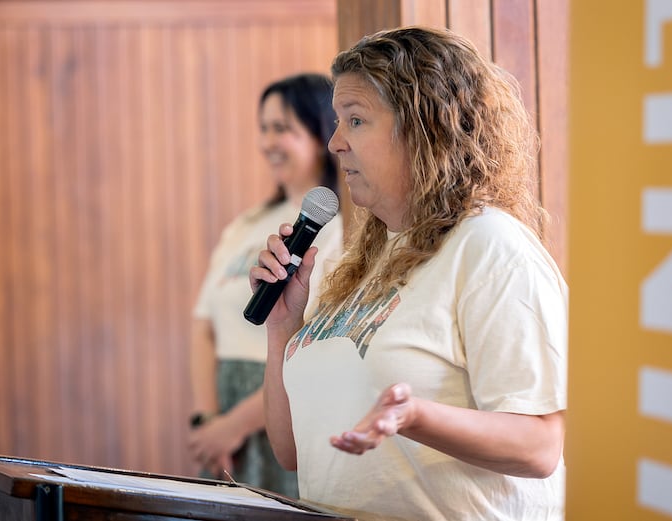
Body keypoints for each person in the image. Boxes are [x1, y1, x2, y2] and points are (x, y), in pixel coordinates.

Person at [251, 26, 568, 521]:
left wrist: (416, 416)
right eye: (337, 121)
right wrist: (282, 331)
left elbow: (539, 446)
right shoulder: (362, 261)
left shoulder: (490, 247)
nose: (335, 143)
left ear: (425, 130)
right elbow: (293, 452)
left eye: (356, 121)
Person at [187, 72, 343, 499]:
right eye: (264, 129)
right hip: (221, 421)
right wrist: (207, 421)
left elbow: (315, 342)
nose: (268, 142)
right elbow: (203, 325)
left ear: (320, 134)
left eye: (282, 129)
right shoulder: (246, 224)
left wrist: (234, 426)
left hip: (280, 408)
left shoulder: (341, 230)